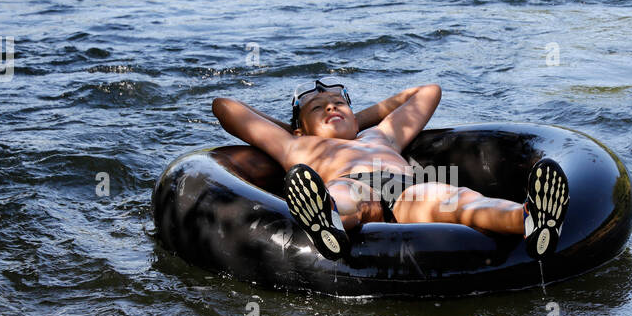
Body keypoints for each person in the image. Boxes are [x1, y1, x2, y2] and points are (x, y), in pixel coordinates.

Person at [210, 79, 569, 261]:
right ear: (300, 126)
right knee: (346, 198)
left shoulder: (380, 136)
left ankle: (529, 218)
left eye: (339, 104)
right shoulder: (293, 144)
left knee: (457, 199)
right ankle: (328, 221)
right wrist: (298, 130)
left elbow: (428, 92)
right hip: (346, 183)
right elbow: (225, 106)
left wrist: (355, 120)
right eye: (319, 107)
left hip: (405, 186)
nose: (332, 108)